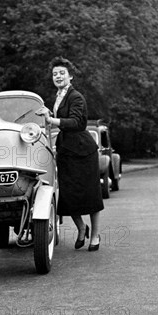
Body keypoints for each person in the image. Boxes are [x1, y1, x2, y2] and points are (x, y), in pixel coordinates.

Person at [38, 57, 104, 251]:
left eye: (62, 73)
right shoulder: (59, 95)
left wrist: (52, 120)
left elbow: (77, 123)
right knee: (67, 196)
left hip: (83, 151)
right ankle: (82, 227)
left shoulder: (76, 97)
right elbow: (62, 117)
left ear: (71, 76)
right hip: (67, 150)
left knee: (91, 197)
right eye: (55, 74)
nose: (58, 76)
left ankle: (95, 236)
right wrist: (50, 113)